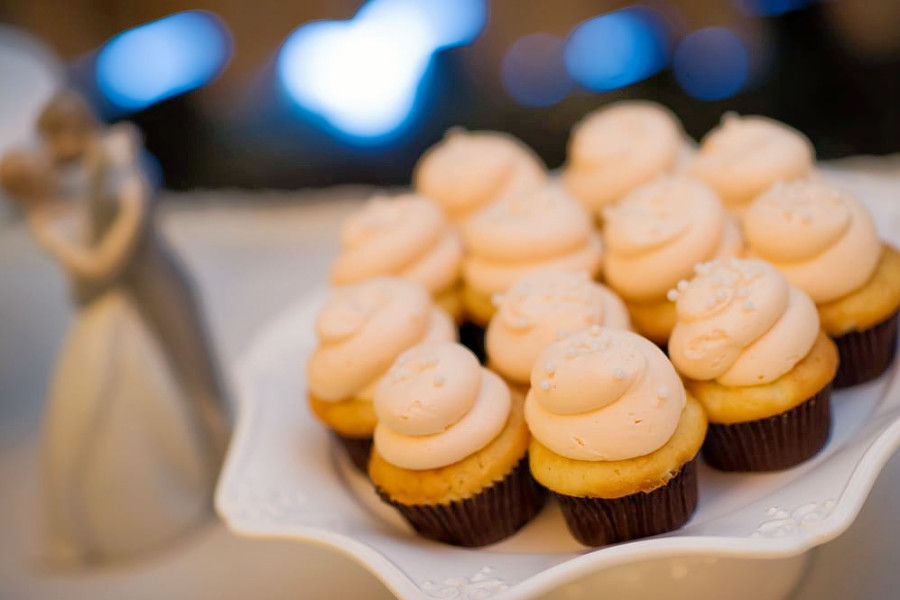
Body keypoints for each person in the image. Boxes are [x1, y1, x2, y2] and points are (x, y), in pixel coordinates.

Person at [0, 100, 230, 565]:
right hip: (117, 300)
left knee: (190, 374)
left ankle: (221, 471)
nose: (56, 152)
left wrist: (60, 231)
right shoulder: (78, 171)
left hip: (152, 286)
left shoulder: (123, 169)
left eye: (60, 139)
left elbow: (107, 260)